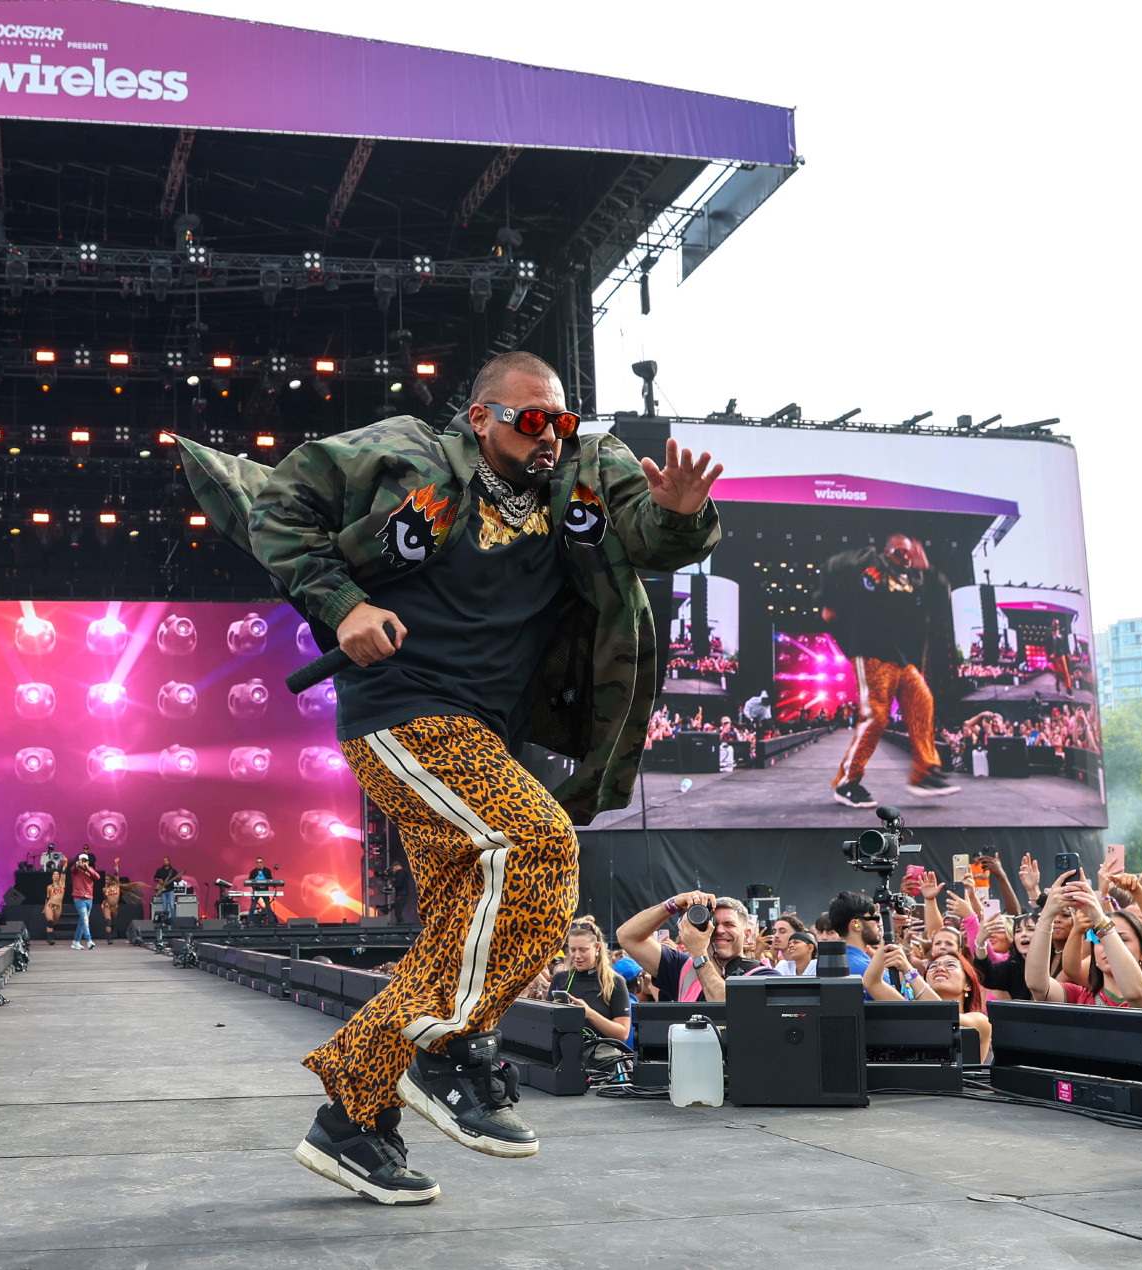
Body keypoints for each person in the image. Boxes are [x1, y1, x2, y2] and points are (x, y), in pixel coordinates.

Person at [181, 347, 722, 1205]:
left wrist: (684, 516)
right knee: (539, 847)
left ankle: (353, 1121)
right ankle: (445, 1048)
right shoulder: (407, 455)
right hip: (401, 710)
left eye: (561, 418)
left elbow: (650, 534)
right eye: (529, 419)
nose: (550, 436)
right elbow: (282, 506)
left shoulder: (586, 467)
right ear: (481, 418)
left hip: (488, 734)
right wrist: (342, 606)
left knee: (457, 939)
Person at [818, 533, 959, 808]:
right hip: (872, 652)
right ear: (886, 552)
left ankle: (925, 773)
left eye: (908, 553)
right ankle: (848, 782)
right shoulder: (871, 566)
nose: (905, 557)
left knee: (923, 701)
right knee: (877, 716)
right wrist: (829, 602)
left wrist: (926, 568)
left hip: (902, 658)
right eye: (899, 552)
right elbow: (835, 567)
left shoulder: (916, 580)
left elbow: (943, 595)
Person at [1026, 873, 1142, 1009]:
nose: (1108, 945)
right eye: (1100, 939)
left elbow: (1136, 994)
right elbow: (1037, 986)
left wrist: (1100, 921)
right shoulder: (1079, 997)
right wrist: (1047, 914)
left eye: (1122, 939)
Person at [617, 892, 774, 1003]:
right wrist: (673, 904)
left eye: (729, 924)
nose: (719, 930)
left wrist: (699, 953)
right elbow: (627, 937)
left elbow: (725, 1004)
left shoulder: (765, 976)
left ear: (747, 934)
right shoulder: (683, 969)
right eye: (712, 924)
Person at [544, 920, 631, 1044]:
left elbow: (623, 1034)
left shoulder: (614, 982)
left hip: (599, 1057)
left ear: (597, 947)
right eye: (572, 950)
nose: (577, 956)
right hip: (565, 1054)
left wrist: (589, 1014)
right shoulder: (561, 978)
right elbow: (546, 1027)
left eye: (583, 950)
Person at [67, 852, 101, 950]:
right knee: (85, 919)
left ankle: (75, 942)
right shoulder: (76, 869)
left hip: (89, 898)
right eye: (82, 860)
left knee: (83, 921)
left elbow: (97, 877)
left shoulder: (90, 870)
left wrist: (87, 868)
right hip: (79, 897)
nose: (83, 862)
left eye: (85, 860)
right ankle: (89, 941)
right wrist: (78, 864)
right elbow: (72, 869)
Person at [247, 857, 278, 922]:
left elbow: (270, 880)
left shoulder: (267, 871)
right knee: (252, 907)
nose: (259, 864)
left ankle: (271, 921)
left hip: (265, 891)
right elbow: (249, 881)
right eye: (257, 862)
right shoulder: (253, 872)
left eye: (260, 862)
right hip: (256, 891)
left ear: (263, 863)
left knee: (268, 907)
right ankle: (249, 921)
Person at [153, 857, 183, 924]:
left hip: (170, 890)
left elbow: (177, 880)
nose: (165, 862)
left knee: (172, 906)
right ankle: (165, 921)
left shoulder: (173, 871)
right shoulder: (160, 870)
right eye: (164, 861)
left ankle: (174, 921)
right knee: (165, 907)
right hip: (163, 891)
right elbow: (155, 878)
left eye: (166, 860)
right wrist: (159, 880)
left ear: (169, 861)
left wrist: (179, 878)